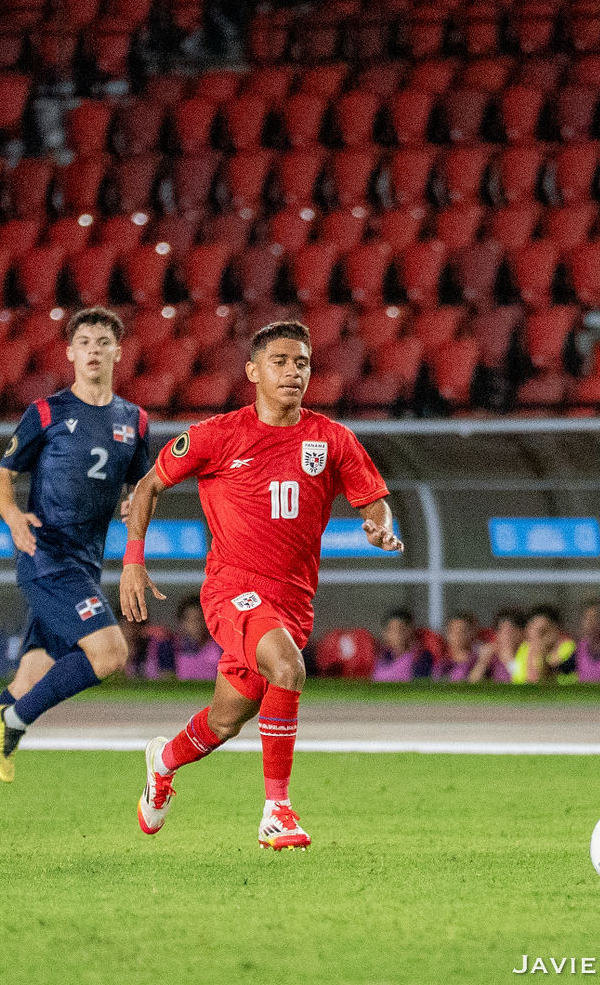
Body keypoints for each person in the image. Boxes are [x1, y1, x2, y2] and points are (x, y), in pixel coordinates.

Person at [120, 319, 403, 850]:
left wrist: (379, 524)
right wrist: (133, 560)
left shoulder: (332, 438)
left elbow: (372, 497)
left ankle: (163, 762)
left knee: (227, 720)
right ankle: (277, 810)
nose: (294, 372)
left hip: (294, 600)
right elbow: (149, 484)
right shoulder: (216, 436)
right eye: (281, 362)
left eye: (302, 363)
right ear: (253, 372)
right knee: (289, 667)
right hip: (232, 589)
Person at [0, 306, 149, 818]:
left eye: (103, 341)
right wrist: (12, 517)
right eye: (84, 341)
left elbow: (139, 480)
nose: (93, 349)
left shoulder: (134, 421)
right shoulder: (46, 412)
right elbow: (1, 477)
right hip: (46, 558)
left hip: (85, 566)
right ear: (70, 353)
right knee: (110, 653)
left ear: (118, 351)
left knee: (27, 681)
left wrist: (132, 498)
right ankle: (15, 724)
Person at [512, 604, 577, 684]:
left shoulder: (568, 647)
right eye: (534, 629)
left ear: (555, 630)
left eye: (543, 631)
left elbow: (545, 678)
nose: (537, 635)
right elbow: (517, 677)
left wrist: (542, 652)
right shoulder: (524, 648)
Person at [372, 607, 436, 681]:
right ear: (385, 633)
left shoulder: (421, 658)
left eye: (402, 629)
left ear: (411, 630)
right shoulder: (381, 658)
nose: (397, 635)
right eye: (391, 630)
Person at [171, 595, 222, 681]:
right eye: (191, 620)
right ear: (182, 623)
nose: (196, 624)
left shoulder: (220, 647)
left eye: (199, 619)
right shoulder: (173, 647)